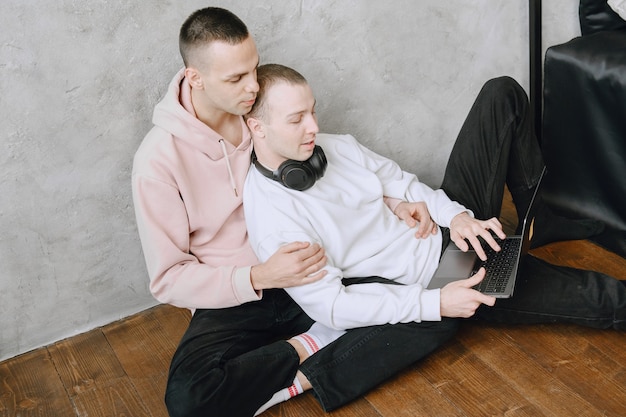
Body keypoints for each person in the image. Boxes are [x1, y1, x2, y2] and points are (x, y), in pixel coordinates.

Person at [132, 7, 461, 417]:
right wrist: (258, 276)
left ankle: (312, 353)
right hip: (238, 295)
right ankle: (311, 348)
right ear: (194, 78)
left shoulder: (257, 111)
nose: (252, 87)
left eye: (253, 69)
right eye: (236, 78)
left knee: (438, 297)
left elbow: (332, 170)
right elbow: (168, 279)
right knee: (189, 399)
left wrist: (390, 200)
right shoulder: (157, 162)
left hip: (318, 270)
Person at [243, 62, 626, 399]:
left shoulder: (332, 147)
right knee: (602, 297)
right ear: (257, 128)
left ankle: (540, 219)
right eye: (297, 119)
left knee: (501, 92)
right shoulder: (276, 220)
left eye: (312, 111)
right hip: (443, 282)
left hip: (451, 233)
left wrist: (457, 217)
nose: (315, 127)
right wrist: (436, 304)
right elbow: (332, 306)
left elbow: (403, 183)